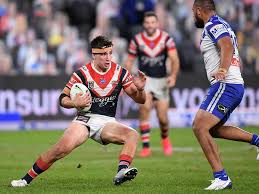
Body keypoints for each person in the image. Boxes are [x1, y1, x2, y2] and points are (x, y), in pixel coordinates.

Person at [11, 36, 147, 187]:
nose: (108, 58)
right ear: (94, 55)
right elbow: (62, 98)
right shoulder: (82, 74)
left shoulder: (121, 73)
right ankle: (25, 180)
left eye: (109, 53)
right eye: (103, 54)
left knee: (132, 135)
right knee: (60, 150)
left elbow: (140, 100)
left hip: (107, 122)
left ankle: (122, 171)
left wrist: (141, 90)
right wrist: (74, 102)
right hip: (85, 120)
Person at [192, 0, 259, 190]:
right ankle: (258, 141)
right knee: (212, 129)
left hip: (226, 84)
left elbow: (227, 46)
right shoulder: (222, 24)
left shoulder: (213, 25)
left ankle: (221, 177)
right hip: (233, 84)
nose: (193, 16)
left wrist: (222, 69)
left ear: (198, 10)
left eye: (193, 12)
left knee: (199, 126)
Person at [125, 11, 180, 157]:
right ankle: (146, 147)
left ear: (157, 23)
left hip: (161, 80)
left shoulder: (166, 39)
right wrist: (129, 78)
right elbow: (129, 61)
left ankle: (165, 138)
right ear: (144, 24)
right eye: (147, 22)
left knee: (163, 118)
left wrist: (173, 76)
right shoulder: (136, 40)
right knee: (145, 108)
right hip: (146, 80)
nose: (150, 25)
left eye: (152, 22)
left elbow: (175, 59)